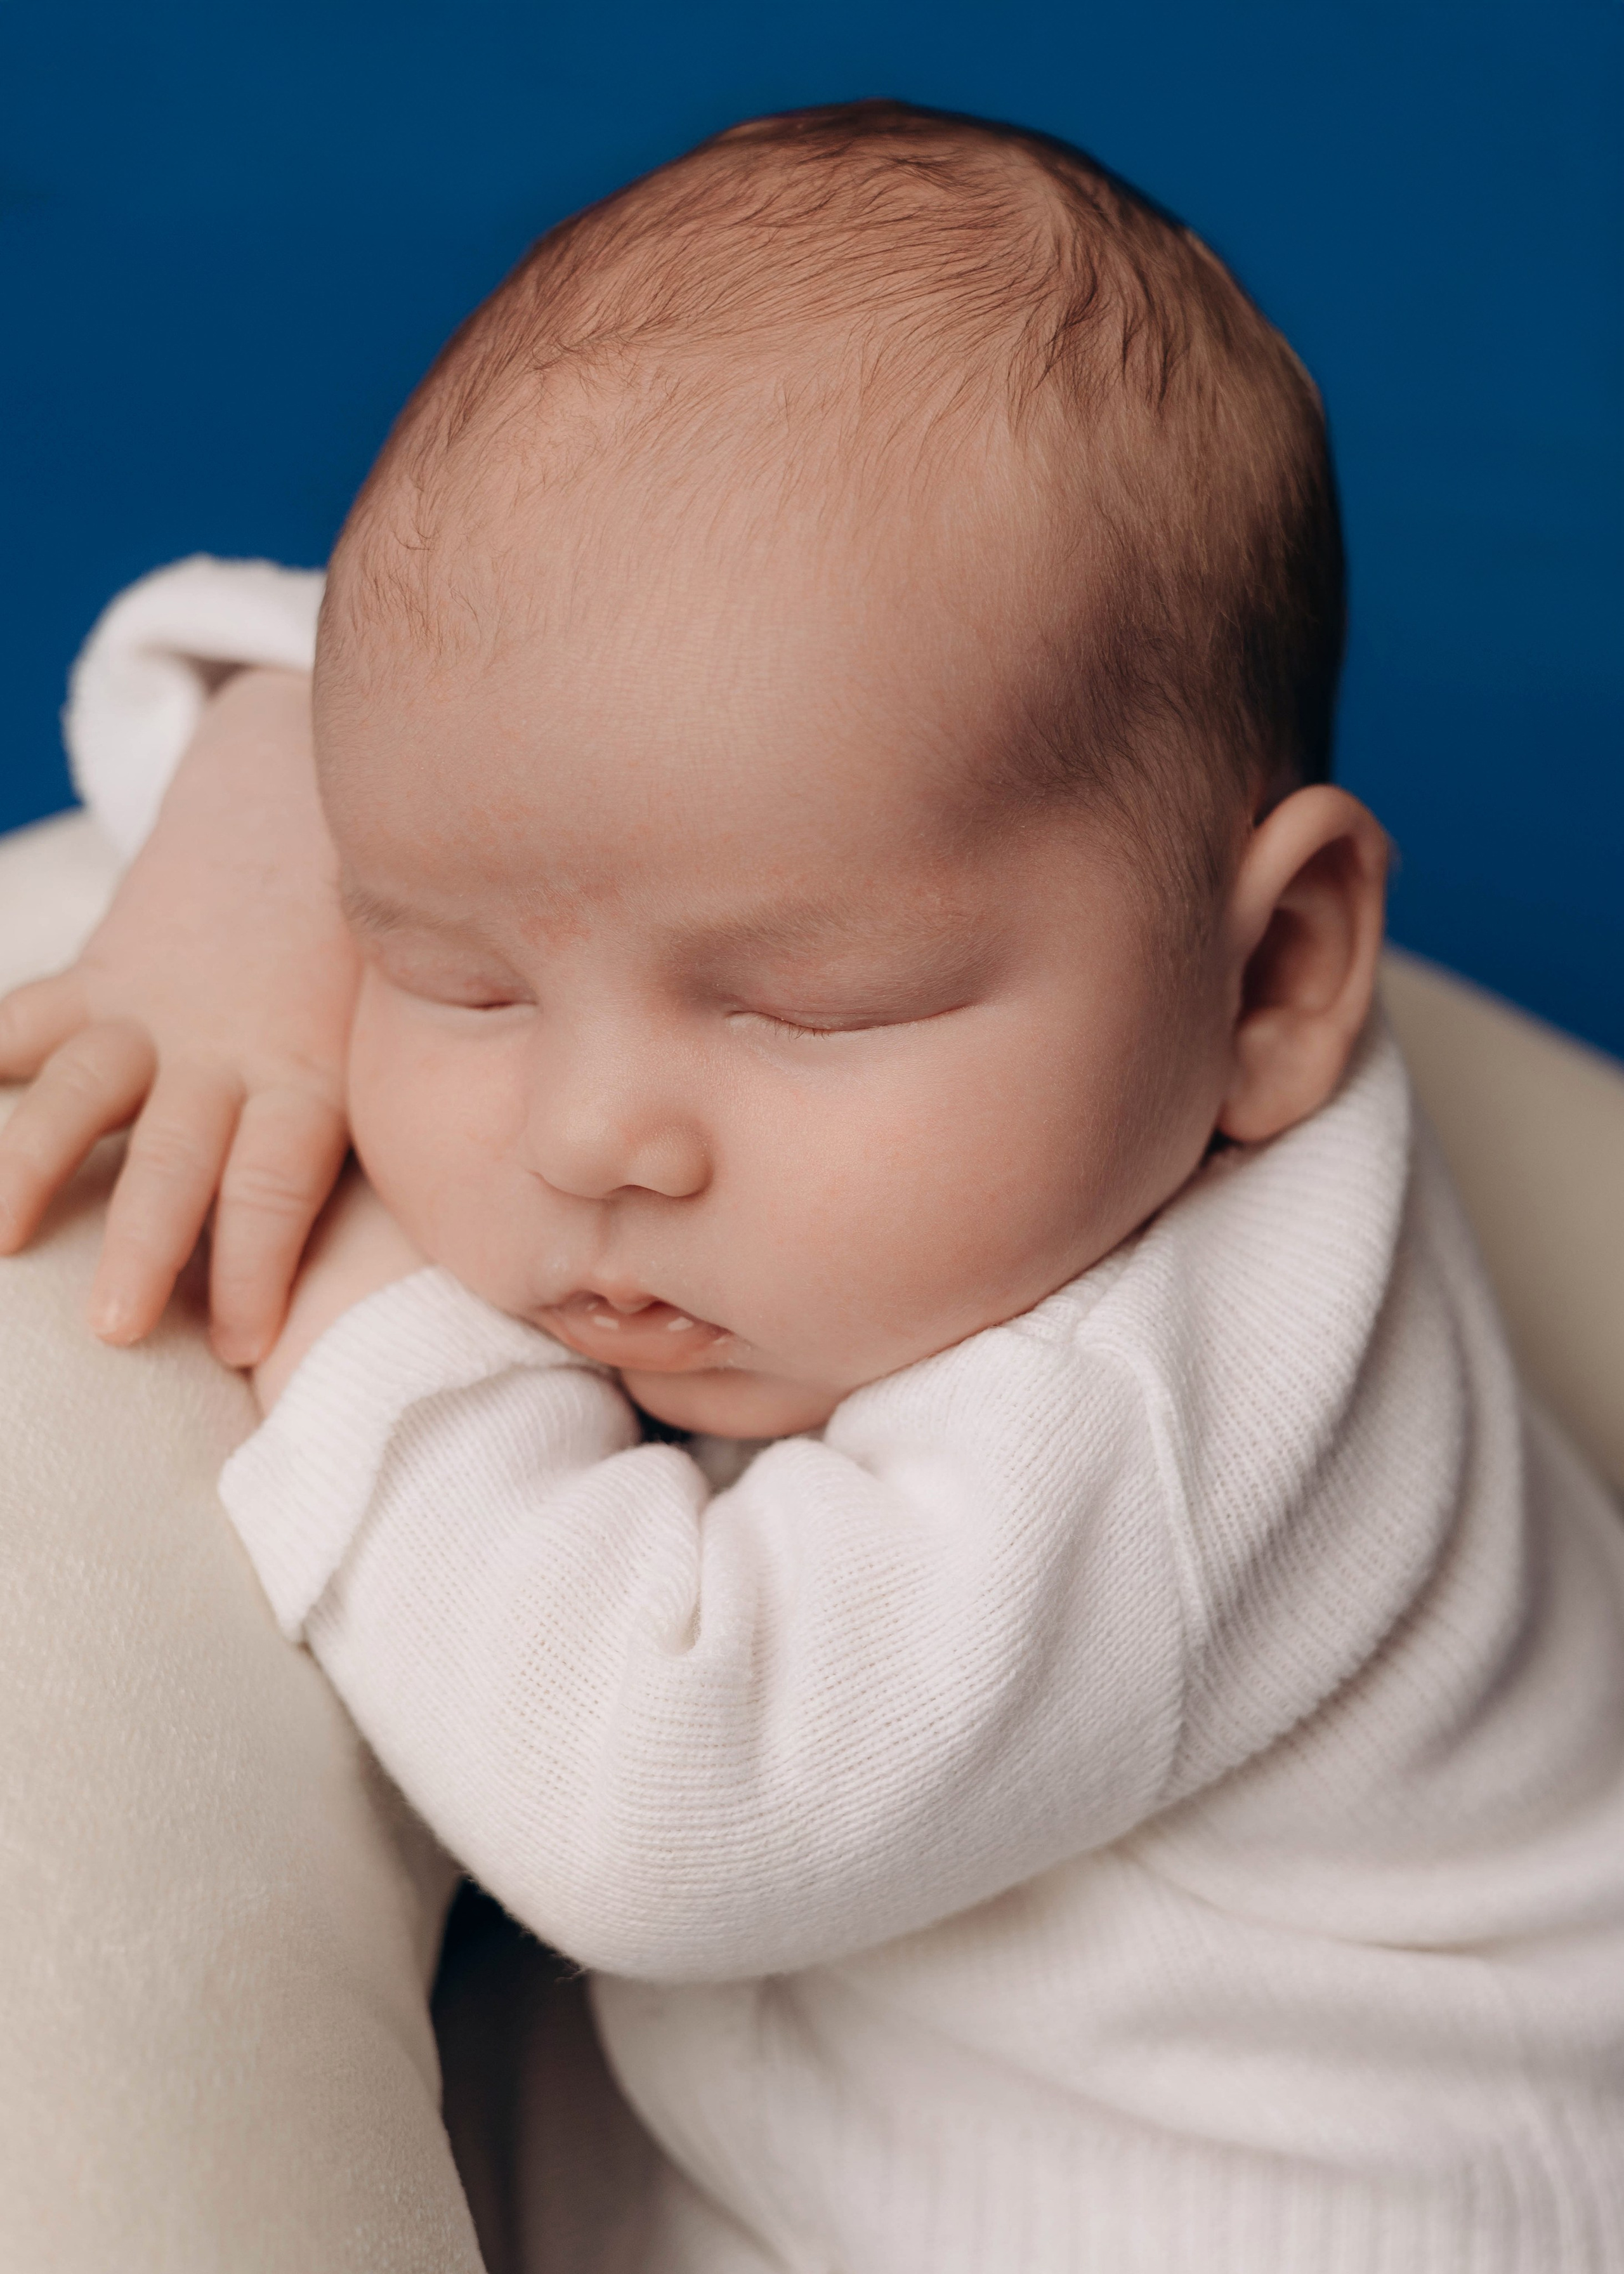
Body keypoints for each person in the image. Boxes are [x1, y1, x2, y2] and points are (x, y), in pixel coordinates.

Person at [4, 100, 1624, 2272]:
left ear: (1278, 977)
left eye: (804, 1010)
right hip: (853, 2099)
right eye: (447, 974)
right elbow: (424, 708)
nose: (594, 1140)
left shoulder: (1169, 1412)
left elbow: (654, 1796)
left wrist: (368, 1278)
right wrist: (233, 890)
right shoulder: (939, 1097)